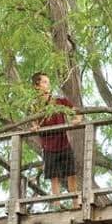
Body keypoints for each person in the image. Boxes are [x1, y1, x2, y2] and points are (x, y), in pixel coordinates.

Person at [31, 72, 80, 203]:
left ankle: (75, 203)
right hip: (48, 146)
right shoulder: (34, 105)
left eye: (48, 82)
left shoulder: (58, 100)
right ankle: (57, 204)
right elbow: (34, 122)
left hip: (63, 143)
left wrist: (77, 119)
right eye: (45, 82)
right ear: (37, 86)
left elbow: (76, 111)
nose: (48, 84)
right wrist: (35, 126)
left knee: (71, 173)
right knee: (54, 176)